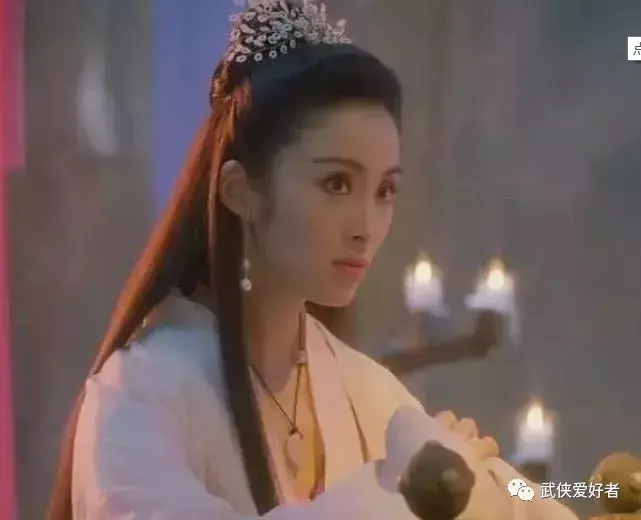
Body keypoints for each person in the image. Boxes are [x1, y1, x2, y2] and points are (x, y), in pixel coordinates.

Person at [47, 2, 578, 519]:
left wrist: (586, 490)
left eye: (385, 191)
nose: (366, 226)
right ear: (239, 189)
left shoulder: (361, 388)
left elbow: (522, 498)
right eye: (336, 184)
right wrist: (408, 487)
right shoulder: (141, 395)